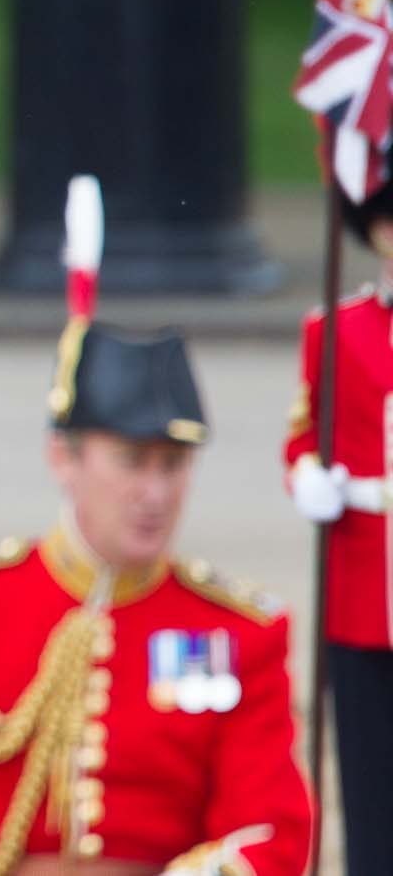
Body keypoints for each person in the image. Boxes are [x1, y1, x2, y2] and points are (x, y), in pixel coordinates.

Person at [0, 179, 313, 876]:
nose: (155, 491)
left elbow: (272, 832)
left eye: (174, 464)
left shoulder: (236, 634)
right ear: (65, 456)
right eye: (132, 461)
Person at [282, 178, 393, 874]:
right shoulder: (335, 329)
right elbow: (303, 434)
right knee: (367, 776)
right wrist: (308, 478)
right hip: (363, 591)